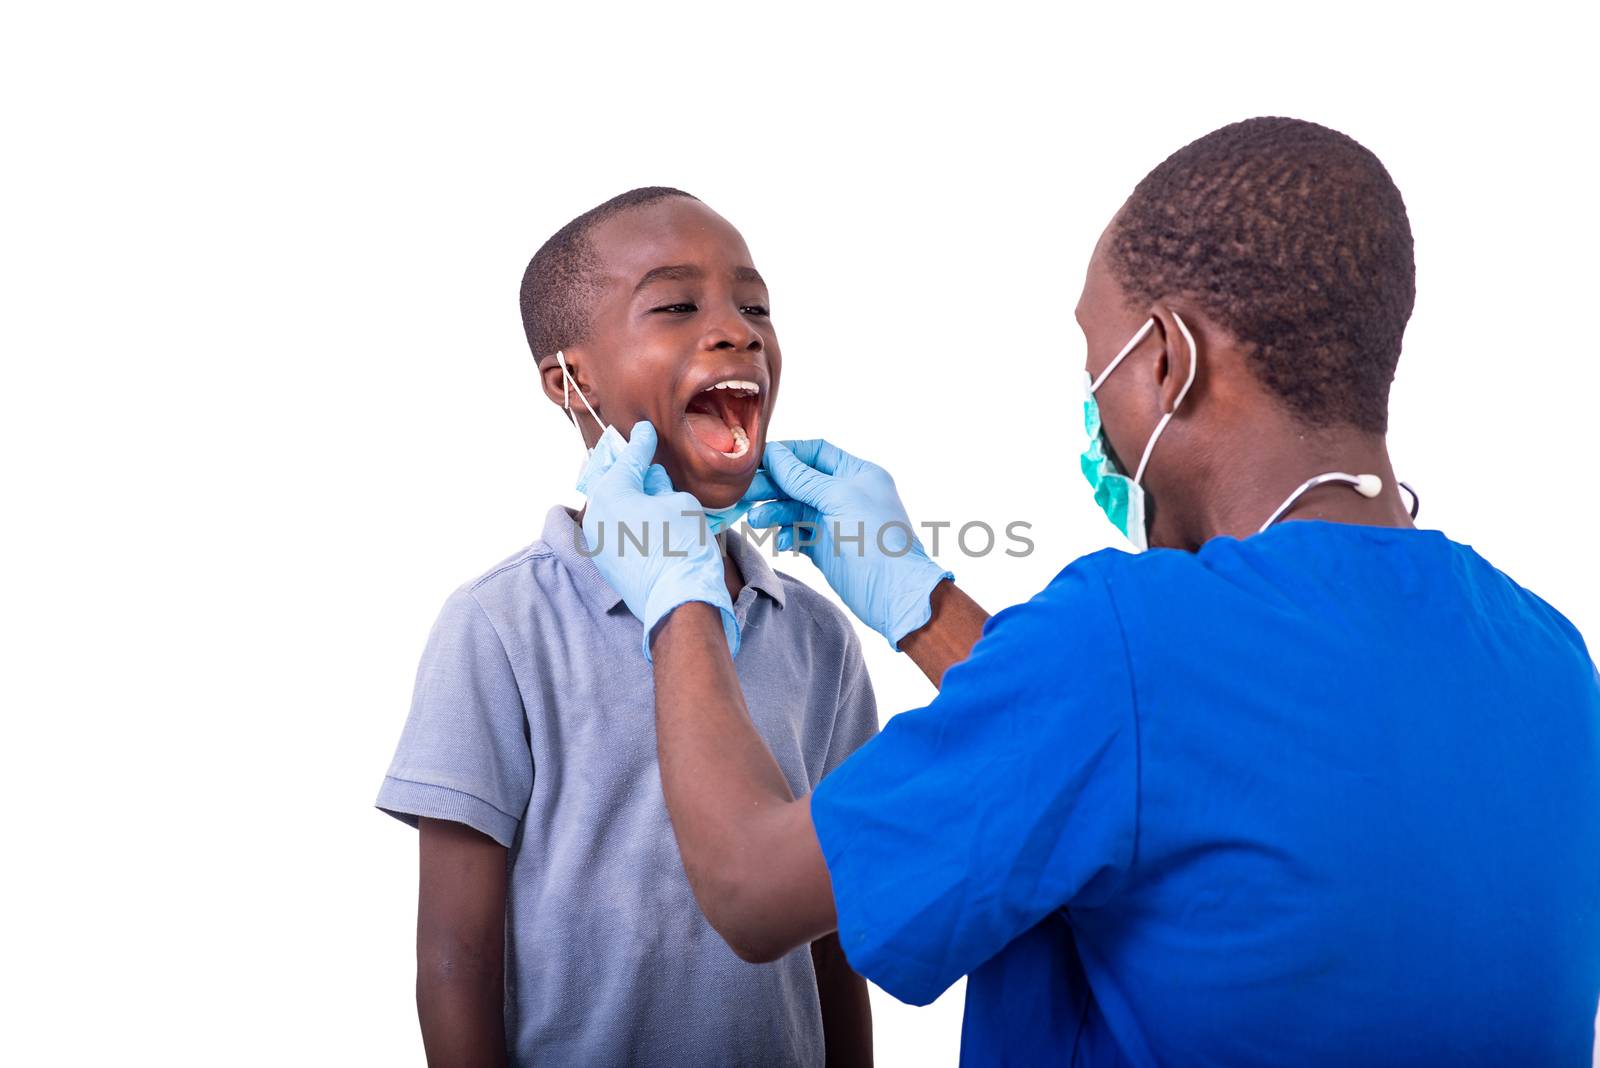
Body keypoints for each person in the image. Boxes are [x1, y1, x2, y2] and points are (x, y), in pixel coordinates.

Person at [578, 120, 1600, 1065]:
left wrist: (677, 600)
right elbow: (1155, 763)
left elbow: (752, 890)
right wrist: (919, 604)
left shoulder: (1129, 638)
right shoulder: (1551, 660)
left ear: (1167, 358)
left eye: (1095, 360)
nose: (1093, 406)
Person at [376, 187, 875, 1066]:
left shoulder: (818, 637)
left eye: (754, 306)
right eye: (677, 306)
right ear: (569, 382)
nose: (737, 332)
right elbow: (454, 957)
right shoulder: (498, 626)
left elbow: (836, 937)